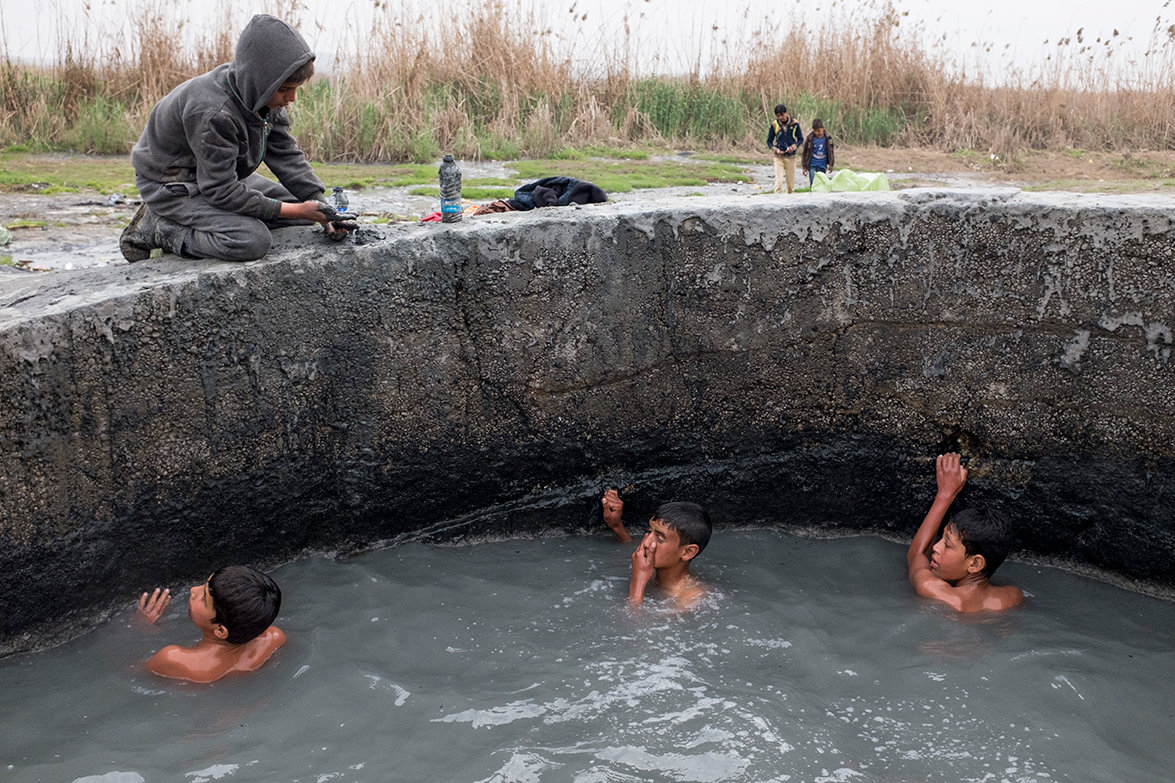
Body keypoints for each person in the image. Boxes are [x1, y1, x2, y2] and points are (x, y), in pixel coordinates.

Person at [120, 14, 349, 263]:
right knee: (252, 240)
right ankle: (159, 227)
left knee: (300, 210)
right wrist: (298, 210)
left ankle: (217, 219)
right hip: (174, 186)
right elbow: (220, 190)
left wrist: (322, 207)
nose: (291, 98)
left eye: (295, 88)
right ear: (259, 81)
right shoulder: (213, 113)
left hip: (219, 176)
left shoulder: (265, 99)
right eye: (284, 89)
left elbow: (286, 156)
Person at [906, 453, 1024, 613]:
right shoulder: (1012, 597)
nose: (935, 547)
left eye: (947, 545)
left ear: (975, 564)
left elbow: (916, 554)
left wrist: (946, 493)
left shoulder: (936, 592)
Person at [136, 565, 286, 683]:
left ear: (220, 630)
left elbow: (134, 673)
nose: (193, 590)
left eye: (203, 599)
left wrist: (142, 627)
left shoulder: (173, 660)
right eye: (204, 585)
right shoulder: (274, 639)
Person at [601, 489, 712, 608]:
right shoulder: (654, 565)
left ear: (687, 552)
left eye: (659, 539)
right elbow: (628, 546)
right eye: (649, 531)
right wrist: (616, 526)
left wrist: (637, 582)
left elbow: (633, 623)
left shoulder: (691, 600)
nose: (646, 542)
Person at [766, 104, 803, 194]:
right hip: (778, 157)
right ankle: (776, 203)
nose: (780, 118)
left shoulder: (794, 124)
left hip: (791, 157)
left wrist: (793, 147)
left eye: (782, 115)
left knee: (790, 186)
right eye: (778, 116)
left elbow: (800, 139)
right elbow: (769, 141)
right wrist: (776, 149)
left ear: (786, 113)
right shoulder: (774, 125)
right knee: (778, 183)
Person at [801, 118, 835, 186]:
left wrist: (831, 164)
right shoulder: (810, 138)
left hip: (823, 165)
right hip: (813, 165)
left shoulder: (828, 138)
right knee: (813, 184)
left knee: (821, 184)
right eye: (815, 131)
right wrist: (804, 166)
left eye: (818, 131)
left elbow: (831, 152)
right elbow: (805, 152)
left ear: (823, 128)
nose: (817, 133)